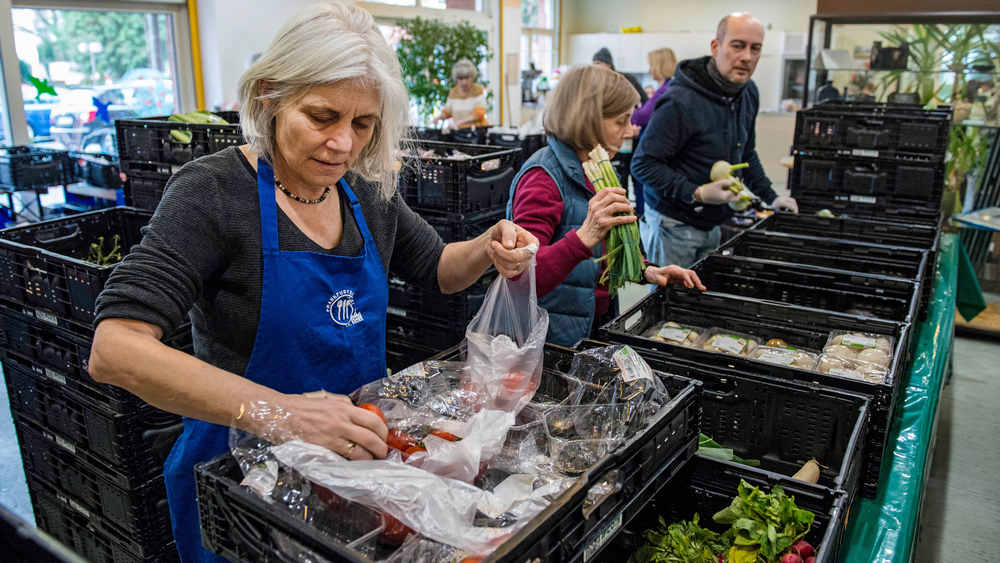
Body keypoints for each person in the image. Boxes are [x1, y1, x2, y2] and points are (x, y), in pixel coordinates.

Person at [87, 4, 537, 562]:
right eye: (323, 117)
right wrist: (284, 414)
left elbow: (440, 270)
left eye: (363, 124)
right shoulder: (212, 193)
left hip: (354, 470)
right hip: (243, 489)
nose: (343, 144)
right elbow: (115, 349)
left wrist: (487, 248)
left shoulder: (368, 192)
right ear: (270, 98)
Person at [506, 65, 704, 347]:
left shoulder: (592, 166)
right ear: (589, 119)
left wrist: (646, 270)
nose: (629, 131)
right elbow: (522, 276)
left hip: (592, 320)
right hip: (551, 336)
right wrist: (584, 237)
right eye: (620, 121)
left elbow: (598, 258)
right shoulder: (543, 178)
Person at [632, 13, 798, 268]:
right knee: (671, 301)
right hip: (673, 224)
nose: (747, 57)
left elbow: (747, 154)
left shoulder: (748, 92)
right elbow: (643, 165)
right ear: (715, 46)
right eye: (737, 45)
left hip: (715, 222)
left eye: (756, 49)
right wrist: (696, 193)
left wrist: (772, 197)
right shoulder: (680, 100)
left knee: (701, 299)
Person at [630, 47, 678, 217]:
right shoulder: (670, 86)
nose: (650, 70)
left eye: (651, 65)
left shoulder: (665, 90)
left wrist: (627, 110)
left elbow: (641, 117)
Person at [435, 58, 488, 129]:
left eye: (466, 78)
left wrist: (461, 122)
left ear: (472, 77)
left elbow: (479, 113)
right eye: (460, 78)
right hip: (458, 131)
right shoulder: (453, 92)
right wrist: (438, 118)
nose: (464, 82)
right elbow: (447, 112)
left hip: (476, 132)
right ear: (456, 78)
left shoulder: (477, 90)